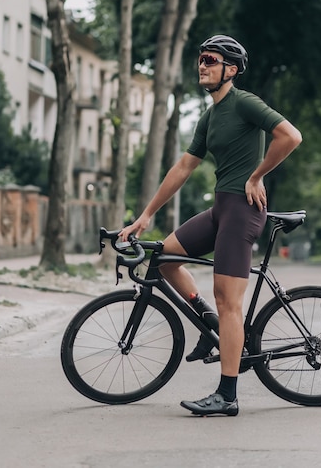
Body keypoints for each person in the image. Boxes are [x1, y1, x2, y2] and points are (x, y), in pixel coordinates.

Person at [120, 34, 302, 416]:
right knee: (166, 257)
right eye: (201, 59)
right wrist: (146, 215)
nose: (202, 65)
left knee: (230, 300)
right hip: (221, 208)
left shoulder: (244, 102)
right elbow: (184, 166)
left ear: (230, 70)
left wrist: (257, 175)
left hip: (243, 210)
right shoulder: (210, 115)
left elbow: (290, 136)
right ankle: (211, 323)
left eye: (211, 60)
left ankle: (228, 396)